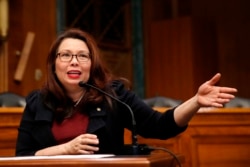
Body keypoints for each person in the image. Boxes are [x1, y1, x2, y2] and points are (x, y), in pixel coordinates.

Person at [15, 28, 237, 156]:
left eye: (83, 56)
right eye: (65, 55)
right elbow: (21, 158)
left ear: (92, 64)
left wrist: (196, 101)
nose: (74, 62)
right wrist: (66, 149)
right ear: (54, 64)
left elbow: (161, 126)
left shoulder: (114, 95)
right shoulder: (37, 102)